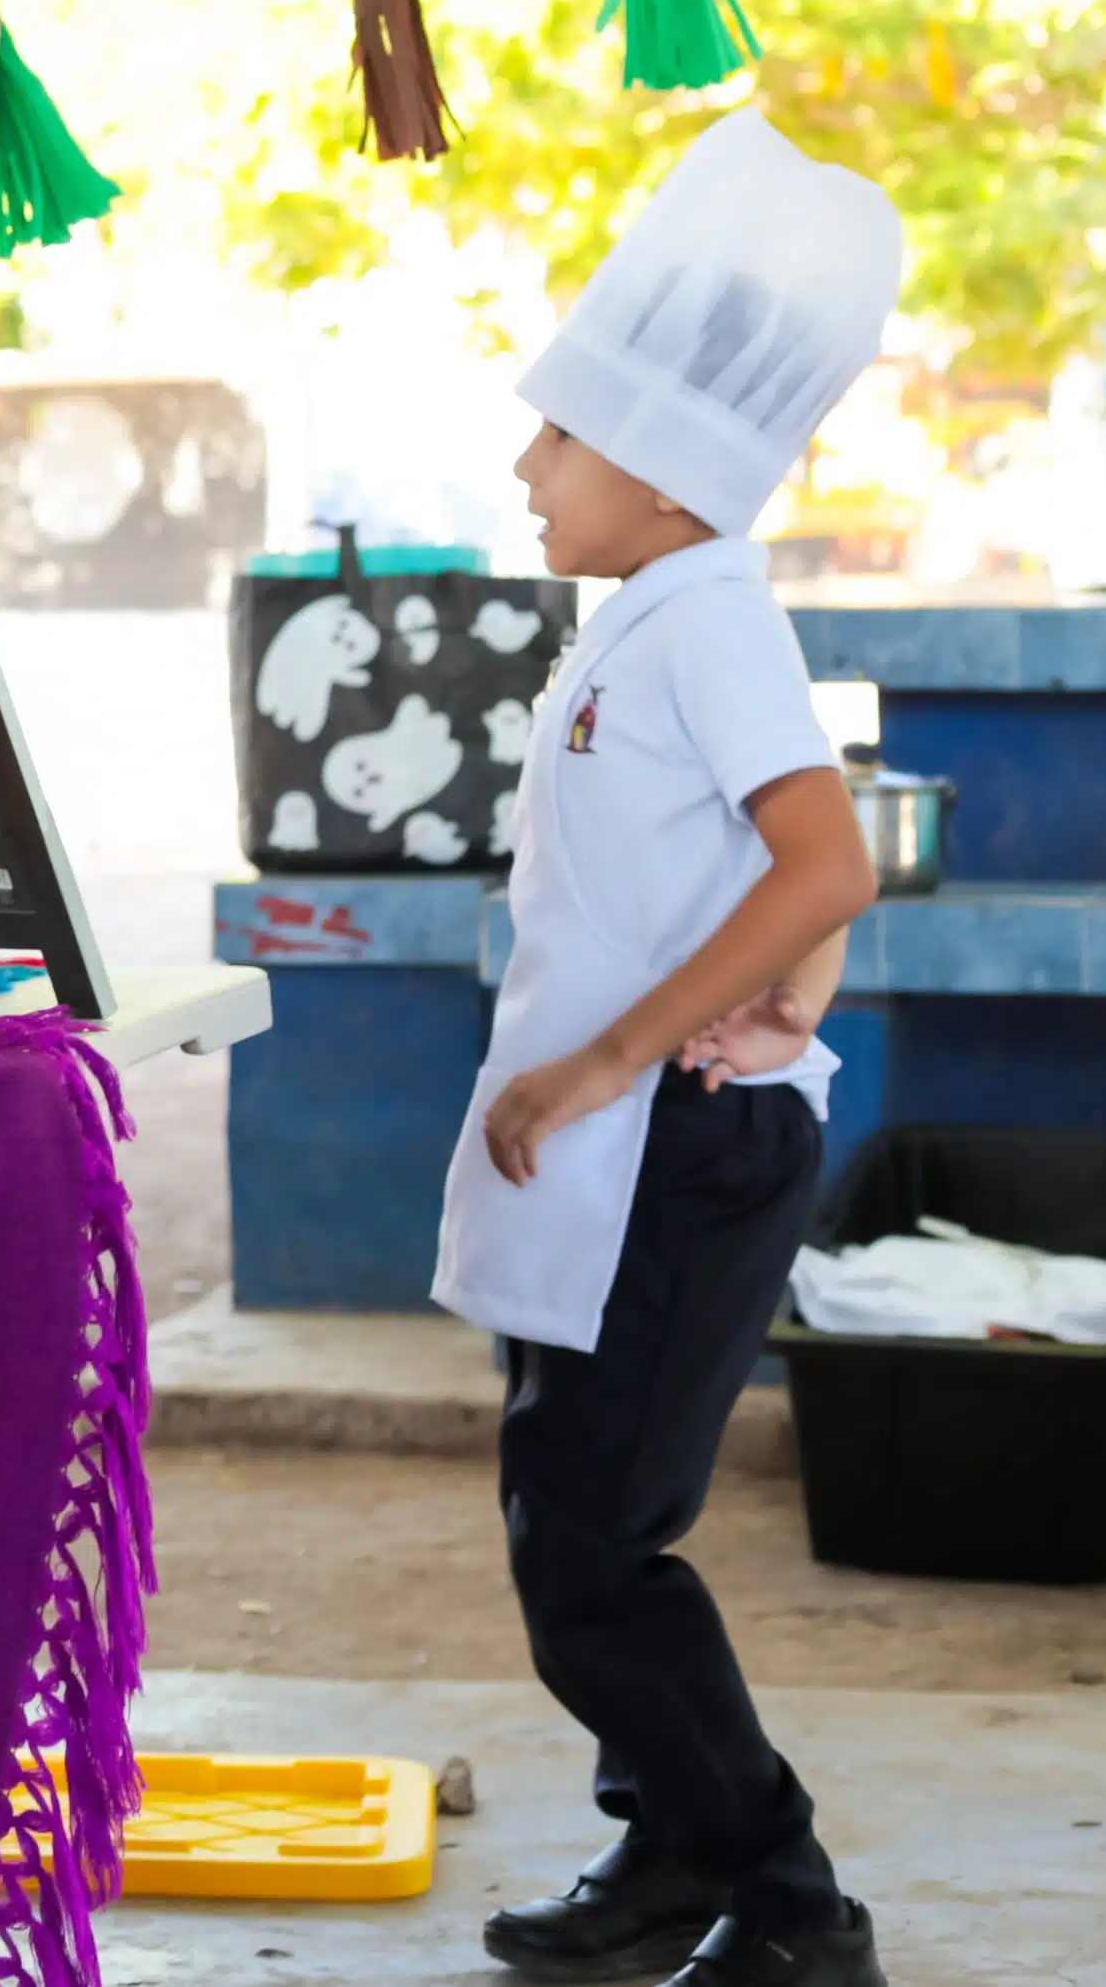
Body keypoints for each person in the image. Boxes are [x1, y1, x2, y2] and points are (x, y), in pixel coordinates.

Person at [437, 112, 897, 1987]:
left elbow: (824, 847)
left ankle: (789, 1902)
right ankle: (667, 1861)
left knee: (597, 1552)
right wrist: (793, 963)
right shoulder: (656, 611)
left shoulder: (706, 616)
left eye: (560, 432)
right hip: (636, 1141)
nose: (529, 462)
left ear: (665, 464)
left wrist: (597, 1063)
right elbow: (776, 865)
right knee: (571, 1515)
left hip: (678, 1141)